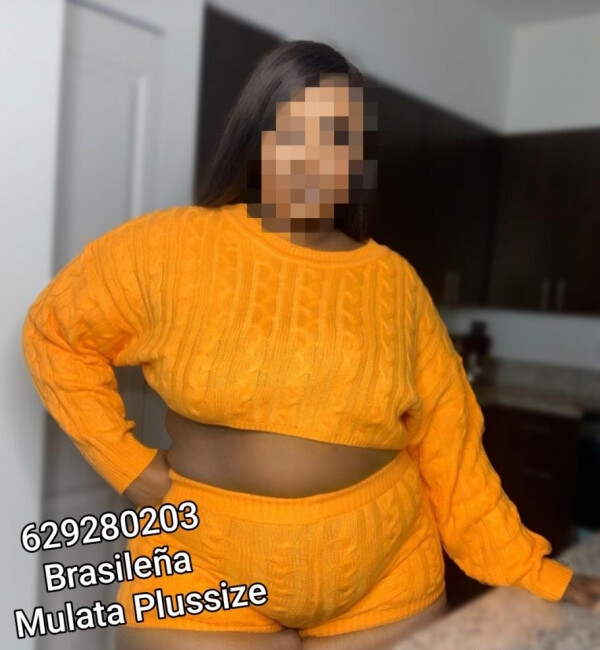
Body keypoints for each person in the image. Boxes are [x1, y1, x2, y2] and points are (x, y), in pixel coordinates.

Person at [21, 40, 598, 650]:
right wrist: (132, 470)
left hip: (386, 571)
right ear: (257, 137)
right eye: (296, 131)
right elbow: (55, 333)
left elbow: (450, 448)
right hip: (200, 562)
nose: (318, 158)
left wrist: (532, 572)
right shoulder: (169, 248)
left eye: (341, 138)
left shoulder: (395, 282)